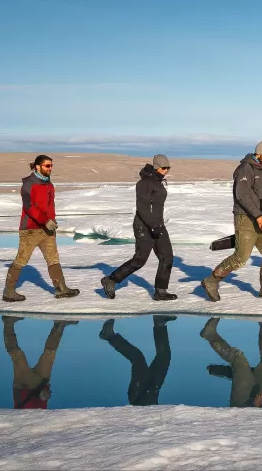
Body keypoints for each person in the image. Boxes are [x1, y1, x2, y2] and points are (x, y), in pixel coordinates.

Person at [202, 137, 262, 301]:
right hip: (246, 218)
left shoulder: (258, 169)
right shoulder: (244, 169)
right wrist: (258, 215)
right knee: (241, 257)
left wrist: (261, 216)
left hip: (260, 218)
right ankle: (211, 281)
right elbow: (242, 196)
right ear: (260, 153)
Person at [2, 155, 79, 301]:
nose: (50, 169)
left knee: (53, 259)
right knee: (21, 259)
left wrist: (52, 222)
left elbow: (49, 207)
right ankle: (9, 291)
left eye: (51, 166)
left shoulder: (49, 184)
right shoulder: (28, 184)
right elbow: (30, 208)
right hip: (30, 230)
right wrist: (45, 221)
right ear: (37, 166)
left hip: (47, 229)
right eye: (47, 166)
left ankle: (61, 289)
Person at [102, 155, 177, 301]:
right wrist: (153, 225)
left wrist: (158, 225)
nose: (166, 171)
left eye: (168, 168)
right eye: (163, 168)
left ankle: (160, 291)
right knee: (140, 260)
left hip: (158, 225)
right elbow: (142, 208)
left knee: (167, 257)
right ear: (156, 167)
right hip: (144, 226)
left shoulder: (158, 182)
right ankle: (111, 280)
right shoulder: (145, 183)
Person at [201, 317, 262, 407]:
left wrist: (252, 405)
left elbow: (241, 419)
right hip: (257, 396)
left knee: (238, 357)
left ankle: (210, 335)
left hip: (241, 403)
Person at [2, 315, 77, 409]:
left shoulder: (23, 421)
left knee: (17, 355)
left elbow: (19, 404)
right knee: (49, 354)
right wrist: (45, 395)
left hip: (25, 387)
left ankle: (8, 323)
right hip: (42, 384)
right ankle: (59, 325)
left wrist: (20, 390)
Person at [99, 316, 174, 405]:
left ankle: (110, 336)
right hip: (153, 390)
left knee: (138, 359)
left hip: (138, 397)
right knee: (164, 357)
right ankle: (159, 323)